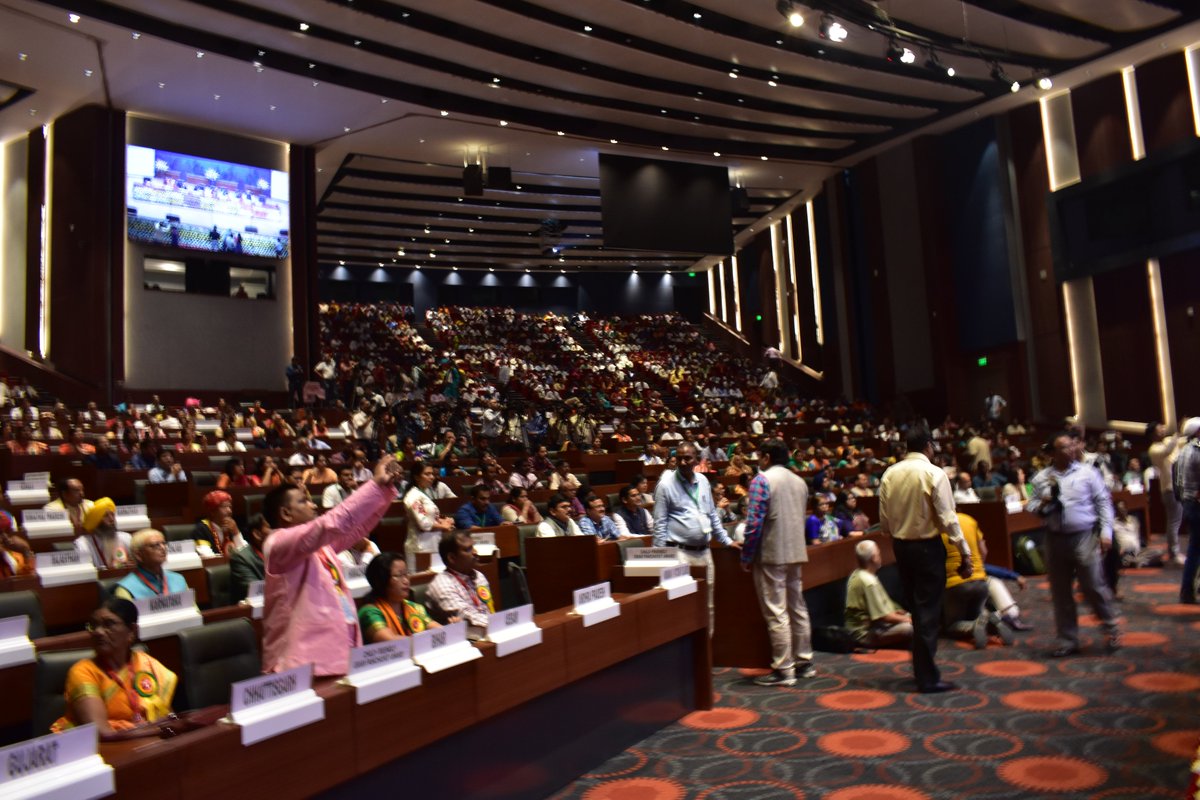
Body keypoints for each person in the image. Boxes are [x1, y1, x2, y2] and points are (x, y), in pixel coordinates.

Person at [261, 454, 400, 676]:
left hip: (337, 650)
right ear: (286, 513)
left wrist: (384, 490)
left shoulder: (319, 545)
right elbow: (331, 523)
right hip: (300, 661)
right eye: (303, 501)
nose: (313, 505)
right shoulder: (278, 543)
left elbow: (357, 528)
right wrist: (374, 484)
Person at [878, 427, 972, 693]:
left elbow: (884, 521)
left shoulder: (890, 473)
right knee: (928, 613)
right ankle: (927, 677)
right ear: (929, 446)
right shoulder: (934, 473)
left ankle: (921, 671)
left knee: (917, 611)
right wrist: (964, 551)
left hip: (901, 547)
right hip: (927, 548)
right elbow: (948, 518)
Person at [1027, 431, 1121, 656]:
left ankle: (1110, 627)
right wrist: (1041, 504)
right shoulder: (1040, 478)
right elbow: (1029, 505)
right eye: (1064, 447)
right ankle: (1067, 639)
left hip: (1084, 536)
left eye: (1072, 446)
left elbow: (1103, 502)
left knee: (1092, 585)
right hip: (1054, 538)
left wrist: (1106, 532)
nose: (1071, 450)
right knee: (1060, 592)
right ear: (1053, 452)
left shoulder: (1088, 473)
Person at [739, 437, 815, 686]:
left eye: (759, 456)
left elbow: (754, 523)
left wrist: (747, 555)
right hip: (796, 551)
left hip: (772, 553)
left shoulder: (762, 480)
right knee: (797, 607)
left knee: (776, 611)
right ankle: (804, 662)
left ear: (767, 457)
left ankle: (784, 670)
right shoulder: (799, 481)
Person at [50, 598, 177, 738]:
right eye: (93, 625)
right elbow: (102, 733)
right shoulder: (83, 671)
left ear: (132, 631)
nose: (98, 632)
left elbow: (169, 717)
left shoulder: (147, 664)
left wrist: (169, 727)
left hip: (148, 742)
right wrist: (161, 729)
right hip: (105, 748)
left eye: (108, 624)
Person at [653, 442, 740, 633]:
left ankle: (707, 646)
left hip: (704, 553)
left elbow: (711, 515)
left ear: (696, 460)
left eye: (687, 458)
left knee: (707, 604)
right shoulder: (666, 485)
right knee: (681, 605)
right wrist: (660, 558)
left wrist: (726, 540)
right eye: (679, 458)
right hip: (679, 554)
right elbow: (659, 524)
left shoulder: (703, 481)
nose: (683, 462)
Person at [942, 512, 1013, 649]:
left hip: (955, 584)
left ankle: (972, 627)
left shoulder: (937, 526)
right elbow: (983, 551)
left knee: (951, 626)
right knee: (977, 617)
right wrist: (978, 569)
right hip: (980, 581)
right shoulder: (969, 520)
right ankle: (993, 621)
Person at [845, 539, 913, 649]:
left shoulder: (857, 574)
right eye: (878, 554)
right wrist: (909, 620)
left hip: (870, 626)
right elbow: (884, 617)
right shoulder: (868, 582)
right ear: (873, 558)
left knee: (911, 618)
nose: (880, 556)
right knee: (911, 627)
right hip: (865, 634)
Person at [426, 531, 494, 640]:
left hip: (487, 633)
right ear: (452, 558)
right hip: (463, 641)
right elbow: (466, 616)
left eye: (473, 547)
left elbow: (488, 609)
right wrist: (498, 623)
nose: (475, 552)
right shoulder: (442, 584)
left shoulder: (479, 576)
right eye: (468, 549)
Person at [358, 552, 439, 642]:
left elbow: (438, 630)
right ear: (381, 579)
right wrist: (425, 641)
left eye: (406, 574)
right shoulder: (369, 612)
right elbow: (390, 641)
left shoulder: (415, 608)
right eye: (399, 575)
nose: (406, 581)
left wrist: (450, 630)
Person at [1147, 421, 1187, 565]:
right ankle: (1173, 553)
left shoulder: (1169, 441)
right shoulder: (1154, 449)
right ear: (1153, 434)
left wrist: (1187, 432)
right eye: (1160, 428)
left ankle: (1174, 551)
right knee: (1174, 521)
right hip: (1169, 489)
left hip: (1180, 486)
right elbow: (1167, 451)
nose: (1163, 429)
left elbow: (1182, 441)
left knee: (1177, 520)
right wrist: (1178, 433)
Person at [403, 462, 455, 567]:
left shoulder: (422, 493)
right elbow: (424, 523)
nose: (432, 477)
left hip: (432, 543)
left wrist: (443, 521)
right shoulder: (413, 496)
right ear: (417, 477)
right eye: (427, 474)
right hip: (420, 547)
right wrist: (444, 526)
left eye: (432, 474)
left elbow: (430, 517)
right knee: (422, 576)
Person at [113, 529, 189, 599]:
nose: (163, 548)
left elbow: (193, 608)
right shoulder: (126, 589)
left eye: (164, 543)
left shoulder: (179, 579)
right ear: (138, 555)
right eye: (155, 545)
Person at [1174, 417, 1200, 604]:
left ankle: (1188, 589)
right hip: (1197, 503)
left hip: (1188, 502)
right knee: (1195, 549)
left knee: (1194, 548)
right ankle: (1188, 590)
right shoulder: (1197, 450)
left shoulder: (1184, 450)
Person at [74, 497, 133, 569]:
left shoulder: (126, 538)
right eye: (106, 516)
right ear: (96, 521)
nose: (111, 519)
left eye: (112, 514)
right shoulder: (83, 544)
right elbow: (86, 570)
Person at [191, 490, 245, 556]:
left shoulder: (232, 527)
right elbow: (208, 557)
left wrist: (236, 532)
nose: (229, 511)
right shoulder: (201, 530)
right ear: (212, 511)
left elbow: (245, 554)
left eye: (230, 506)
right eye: (224, 507)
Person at [230, 514, 270, 601]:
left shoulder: (281, 553)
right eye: (270, 527)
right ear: (257, 534)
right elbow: (256, 592)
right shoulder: (240, 558)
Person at [0, 510, 35, 577]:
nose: (5, 537)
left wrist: (26, 551)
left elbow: (29, 578)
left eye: (7, 532)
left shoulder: (12, 556)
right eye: (0, 533)